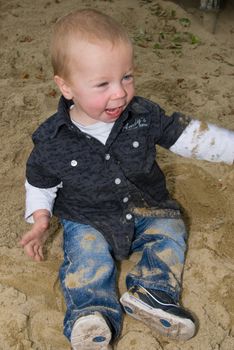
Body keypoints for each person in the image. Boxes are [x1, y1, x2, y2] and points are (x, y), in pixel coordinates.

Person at [20, 8, 234, 350]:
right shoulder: (52, 140)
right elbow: (40, 183)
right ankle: (92, 314)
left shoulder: (144, 116)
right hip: (87, 218)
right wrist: (40, 218)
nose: (119, 93)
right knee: (86, 258)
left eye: (127, 77)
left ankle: (154, 292)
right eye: (103, 84)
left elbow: (192, 137)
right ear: (66, 86)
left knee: (170, 231)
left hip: (147, 207)